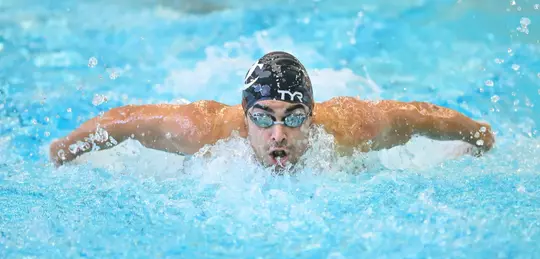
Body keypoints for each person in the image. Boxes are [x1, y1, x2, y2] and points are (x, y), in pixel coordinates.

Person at [49, 51, 495, 168]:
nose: (278, 135)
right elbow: (121, 122)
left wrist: (477, 134)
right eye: (262, 118)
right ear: (245, 118)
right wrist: (66, 149)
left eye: (293, 118)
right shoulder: (202, 130)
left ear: (312, 118)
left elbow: (418, 117)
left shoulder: (352, 128)